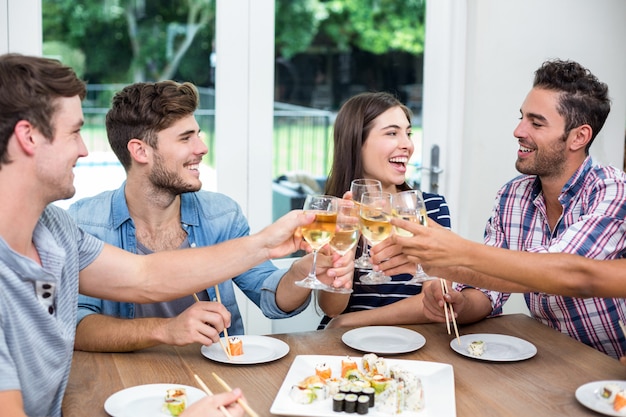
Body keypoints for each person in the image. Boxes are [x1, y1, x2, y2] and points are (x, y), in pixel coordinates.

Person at [0, 53, 318, 417]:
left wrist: (269, 244)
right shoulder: (78, 222)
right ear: (28, 136)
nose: (85, 149)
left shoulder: (54, 230)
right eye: (74, 132)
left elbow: (144, 276)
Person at [67, 80, 353, 353]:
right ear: (140, 151)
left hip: (216, 377)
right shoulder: (87, 222)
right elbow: (78, 326)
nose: (202, 148)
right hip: (128, 382)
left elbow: (270, 297)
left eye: (198, 134)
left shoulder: (221, 215)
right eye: (186, 138)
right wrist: (166, 329)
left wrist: (299, 272)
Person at [374, 59, 626, 359]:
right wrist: (457, 302)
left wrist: (455, 251)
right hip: (551, 356)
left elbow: (567, 272)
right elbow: (489, 290)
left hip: (610, 366)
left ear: (578, 137)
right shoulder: (512, 195)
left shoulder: (612, 189)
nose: (518, 130)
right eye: (522, 118)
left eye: (536, 122)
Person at [317, 91, 451, 329]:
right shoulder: (335, 212)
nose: (407, 145)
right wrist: (344, 248)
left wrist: (351, 321)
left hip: (414, 341)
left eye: (408, 133)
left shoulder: (430, 208)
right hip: (346, 346)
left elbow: (439, 296)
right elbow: (331, 308)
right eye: (392, 133)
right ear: (356, 142)